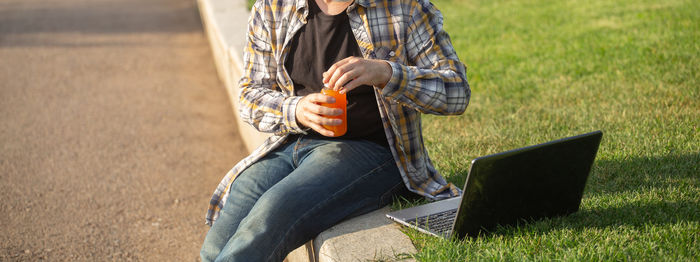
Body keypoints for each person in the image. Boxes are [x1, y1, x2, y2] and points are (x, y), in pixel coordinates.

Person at [200, 0, 470, 260]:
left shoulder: (405, 8)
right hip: (289, 144)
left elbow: (456, 92)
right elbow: (250, 95)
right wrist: (297, 109)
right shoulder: (273, 6)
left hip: (371, 152)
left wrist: (386, 73)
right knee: (217, 241)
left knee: (273, 212)